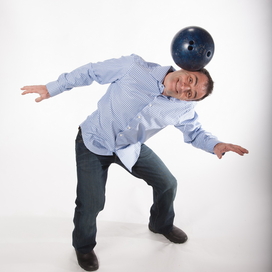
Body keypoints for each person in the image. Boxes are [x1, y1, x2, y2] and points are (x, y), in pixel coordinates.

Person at [21, 54, 248, 271]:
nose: (185, 88)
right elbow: (90, 72)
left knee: (168, 183)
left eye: (191, 94)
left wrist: (216, 145)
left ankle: (161, 224)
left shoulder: (183, 108)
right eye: (191, 80)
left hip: (129, 148)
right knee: (91, 202)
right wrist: (53, 88)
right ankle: (83, 248)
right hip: (93, 141)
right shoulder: (134, 67)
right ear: (187, 68)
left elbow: (195, 132)